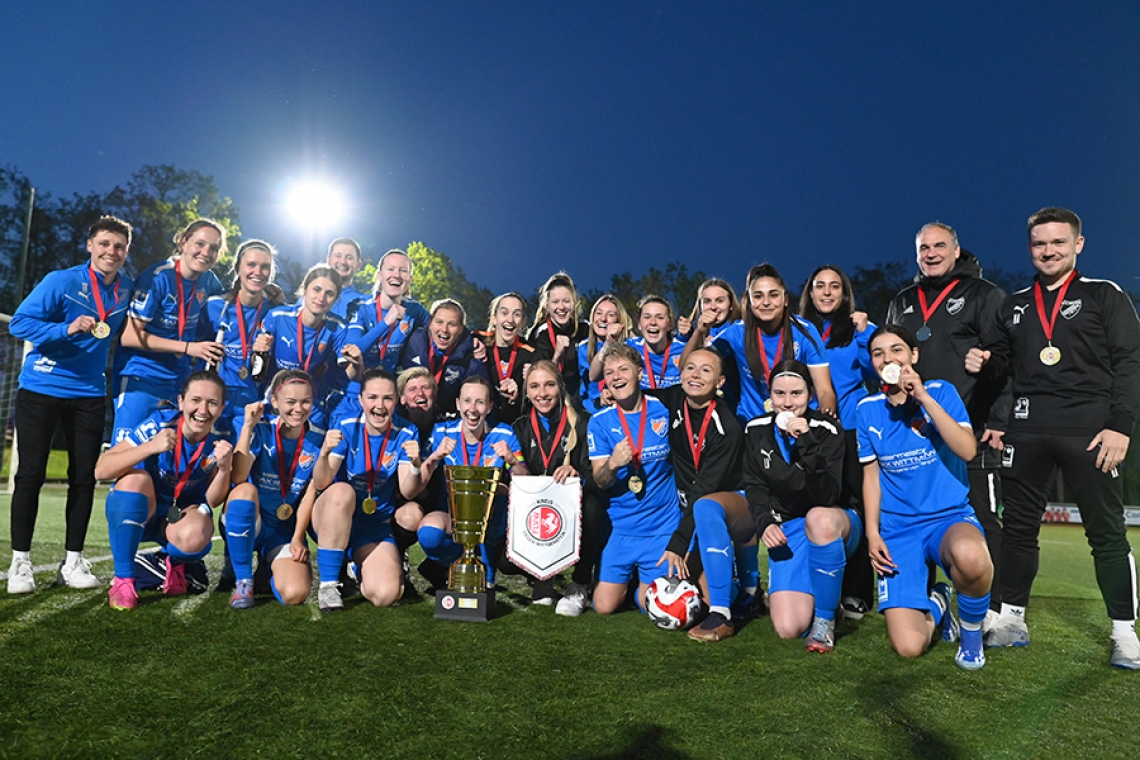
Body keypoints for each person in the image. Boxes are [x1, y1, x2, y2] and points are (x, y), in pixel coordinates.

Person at [987, 207, 1140, 669]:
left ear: (1078, 244)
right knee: (1017, 531)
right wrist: (986, 375)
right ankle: (1012, 619)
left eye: (1058, 242)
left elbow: (1130, 362)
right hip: (1027, 429)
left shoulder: (1103, 295)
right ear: (1029, 248)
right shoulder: (1013, 304)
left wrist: (1121, 425)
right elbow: (1003, 371)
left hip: (1091, 432)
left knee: (1107, 534)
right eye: (1039, 244)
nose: (1048, 251)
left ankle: (1124, 631)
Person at [886, 223, 1009, 622]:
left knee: (982, 519)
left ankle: (990, 609)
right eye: (924, 247)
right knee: (922, 515)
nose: (932, 253)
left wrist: (998, 415)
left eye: (941, 246)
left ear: (957, 251)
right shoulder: (903, 300)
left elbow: (1009, 360)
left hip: (968, 429)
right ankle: (928, 601)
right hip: (914, 432)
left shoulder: (985, 294)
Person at [7, 216, 134, 593]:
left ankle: (73, 561)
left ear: (126, 253)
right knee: (30, 475)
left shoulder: (126, 289)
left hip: (89, 394)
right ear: (90, 245)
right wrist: (65, 328)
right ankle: (20, 563)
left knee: (83, 479)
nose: (111, 252)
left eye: (119, 247)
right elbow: (18, 323)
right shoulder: (60, 281)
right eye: (105, 244)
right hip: (42, 388)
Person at [858, 325, 993, 670]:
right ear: (872, 363)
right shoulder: (867, 410)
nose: (888, 358)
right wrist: (873, 534)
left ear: (913, 356)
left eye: (897, 350)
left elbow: (966, 450)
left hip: (948, 518)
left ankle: (972, 634)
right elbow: (871, 478)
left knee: (972, 557)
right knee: (908, 646)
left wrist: (924, 399)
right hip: (898, 529)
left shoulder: (941, 392)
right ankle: (940, 601)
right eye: (878, 353)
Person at [742, 359, 857, 651]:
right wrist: (764, 521)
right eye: (779, 394)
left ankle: (825, 620)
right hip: (790, 527)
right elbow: (754, 486)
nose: (788, 403)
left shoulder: (828, 430)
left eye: (796, 394)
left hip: (833, 522)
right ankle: (823, 593)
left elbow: (827, 496)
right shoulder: (755, 430)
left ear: (810, 395)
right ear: (770, 396)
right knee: (788, 627)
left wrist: (805, 440)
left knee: (819, 518)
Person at [95, 371, 234, 610]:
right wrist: (150, 447)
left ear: (221, 408)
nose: (202, 410)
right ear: (181, 401)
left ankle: (175, 564)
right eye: (196, 400)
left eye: (212, 403)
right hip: (144, 509)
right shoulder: (159, 423)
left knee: (197, 535)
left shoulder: (221, 438)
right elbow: (101, 470)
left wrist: (224, 469)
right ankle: (124, 580)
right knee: (132, 481)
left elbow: (212, 500)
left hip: (180, 518)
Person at [649, 348, 758, 642]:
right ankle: (747, 592)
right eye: (690, 368)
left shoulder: (729, 427)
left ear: (720, 382)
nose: (695, 375)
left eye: (706, 370)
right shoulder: (670, 400)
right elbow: (638, 396)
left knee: (707, 507)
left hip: (732, 505)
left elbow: (705, 487)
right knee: (699, 592)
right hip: (695, 508)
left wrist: (680, 540)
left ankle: (723, 615)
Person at [309, 369, 427, 611]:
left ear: (396, 400)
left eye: (387, 398)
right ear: (361, 400)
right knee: (342, 492)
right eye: (372, 397)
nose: (380, 405)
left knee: (386, 595)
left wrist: (416, 466)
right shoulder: (346, 425)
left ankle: (356, 568)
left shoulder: (406, 432)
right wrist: (323, 454)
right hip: (335, 516)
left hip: (374, 526)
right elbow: (322, 482)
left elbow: (408, 492)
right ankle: (329, 584)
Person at [799, 264, 877, 618]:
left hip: (850, 433)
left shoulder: (860, 328)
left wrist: (863, 334)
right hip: (807, 432)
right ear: (810, 293)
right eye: (820, 286)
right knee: (808, 509)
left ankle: (857, 592)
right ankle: (807, 588)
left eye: (835, 286)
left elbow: (880, 370)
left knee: (855, 508)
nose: (827, 292)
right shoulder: (799, 330)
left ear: (845, 293)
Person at [587, 344, 682, 617]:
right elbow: (601, 481)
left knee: (653, 604)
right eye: (609, 372)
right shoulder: (600, 422)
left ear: (639, 373)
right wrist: (613, 464)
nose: (616, 376)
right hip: (621, 527)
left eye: (623, 369)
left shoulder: (664, 408)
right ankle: (621, 581)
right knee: (604, 607)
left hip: (662, 526)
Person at [113, 219, 227, 442]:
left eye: (214, 248)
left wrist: (267, 291)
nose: (206, 252)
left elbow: (233, 302)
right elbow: (129, 336)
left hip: (179, 381)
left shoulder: (209, 280)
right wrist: (188, 348)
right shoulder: (157, 277)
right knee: (129, 452)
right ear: (184, 242)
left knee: (166, 457)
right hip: (142, 376)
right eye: (200, 244)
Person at [224, 370, 325, 608]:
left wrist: (298, 538)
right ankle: (243, 580)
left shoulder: (318, 438)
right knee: (244, 492)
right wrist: (248, 426)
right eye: (290, 402)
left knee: (295, 594)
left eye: (306, 401)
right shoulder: (261, 427)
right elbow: (238, 476)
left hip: (282, 531)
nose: (298, 409)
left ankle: (267, 570)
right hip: (253, 521)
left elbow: (311, 491)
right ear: (275, 402)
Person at [687, 263, 836, 423]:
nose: (766, 302)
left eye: (773, 295)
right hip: (752, 425)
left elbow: (825, 391)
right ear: (750, 301)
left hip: (798, 421)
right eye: (758, 296)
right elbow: (687, 365)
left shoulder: (804, 331)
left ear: (785, 299)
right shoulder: (737, 333)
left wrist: (826, 413)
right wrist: (699, 331)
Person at [416, 376, 525, 589]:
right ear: (458, 403)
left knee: (500, 495)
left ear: (490, 406)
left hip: (489, 516)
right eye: (467, 401)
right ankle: (463, 564)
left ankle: (488, 570)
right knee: (429, 534)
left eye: (480, 402)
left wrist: (511, 460)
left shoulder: (503, 433)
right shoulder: (442, 432)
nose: (472, 409)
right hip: (452, 515)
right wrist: (433, 457)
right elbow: (418, 483)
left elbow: (524, 481)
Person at [512, 360, 604, 609]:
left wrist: (577, 474)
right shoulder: (519, 427)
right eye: (534, 386)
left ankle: (580, 582)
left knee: (594, 506)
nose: (542, 393)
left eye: (549, 385)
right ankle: (540, 577)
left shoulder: (584, 422)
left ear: (561, 386)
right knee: (504, 558)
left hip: (574, 509)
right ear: (527, 391)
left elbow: (598, 476)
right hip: (538, 510)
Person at [199, 239, 286, 438]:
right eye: (251, 265)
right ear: (238, 267)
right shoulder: (214, 306)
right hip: (215, 398)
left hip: (252, 400)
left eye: (265, 267)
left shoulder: (275, 311)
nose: (258, 272)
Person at [259, 264, 350, 430]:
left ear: (336, 300)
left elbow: (348, 367)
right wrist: (258, 352)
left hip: (309, 399)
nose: (321, 298)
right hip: (274, 395)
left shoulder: (337, 326)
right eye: (317, 289)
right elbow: (257, 368)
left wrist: (355, 361)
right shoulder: (278, 317)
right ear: (305, 289)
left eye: (329, 294)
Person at [345, 248, 430, 373]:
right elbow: (351, 351)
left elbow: (440, 330)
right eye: (391, 269)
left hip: (391, 387)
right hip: (360, 387)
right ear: (379, 275)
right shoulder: (362, 307)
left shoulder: (415, 309)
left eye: (403, 271)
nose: (396, 275)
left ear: (410, 279)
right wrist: (385, 323)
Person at [401, 299, 489, 414]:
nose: (444, 329)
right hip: (409, 417)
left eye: (452, 324)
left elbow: (486, 403)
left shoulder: (471, 361)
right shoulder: (412, 341)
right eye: (439, 322)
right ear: (430, 323)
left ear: (461, 329)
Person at [473, 292, 538, 424]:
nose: (510, 320)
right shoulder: (477, 340)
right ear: (494, 318)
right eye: (504, 313)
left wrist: (518, 395)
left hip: (512, 423)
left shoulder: (530, 353)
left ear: (522, 322)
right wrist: (469, 348)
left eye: (517, 314)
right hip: (477, 420)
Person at [527, 272, 588, 404]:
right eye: (555, 302)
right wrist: (558, 354)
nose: (561, 307)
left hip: (582, 400)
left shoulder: (585, 329)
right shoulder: (539, 334)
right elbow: (539, 380)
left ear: (574, 303)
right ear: (547, 306)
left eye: (566, 301)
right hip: (549, 401)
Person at [580, 294, 632, 414]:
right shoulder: (583, 348)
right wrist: (608, 343)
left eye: (610, 315)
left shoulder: (630, 347)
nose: (603, 319)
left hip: (621, 411)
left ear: (619, 321)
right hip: (590, 412)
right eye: (599, 313)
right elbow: (592, 377)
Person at [626, 295, 686, 390]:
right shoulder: (630, 348)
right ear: (639, 324)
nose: (653, 322)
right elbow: (595, 375)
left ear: (670, 325)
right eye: (647, 317)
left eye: (660, 317)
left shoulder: (683, 350)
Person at [676, 278, 742, 342]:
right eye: (707, 301)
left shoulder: (742, 329)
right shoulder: (691, 331)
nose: (713, 307)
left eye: (720, 301)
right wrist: (683, 337)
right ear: (700, 306)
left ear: (731, 305)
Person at [325, 237, 366, 320]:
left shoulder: (364, 303)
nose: (343, 262)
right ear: (328, 260)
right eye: (338, 255)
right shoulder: (310, 297)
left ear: (358, 265)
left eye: (349, 257)